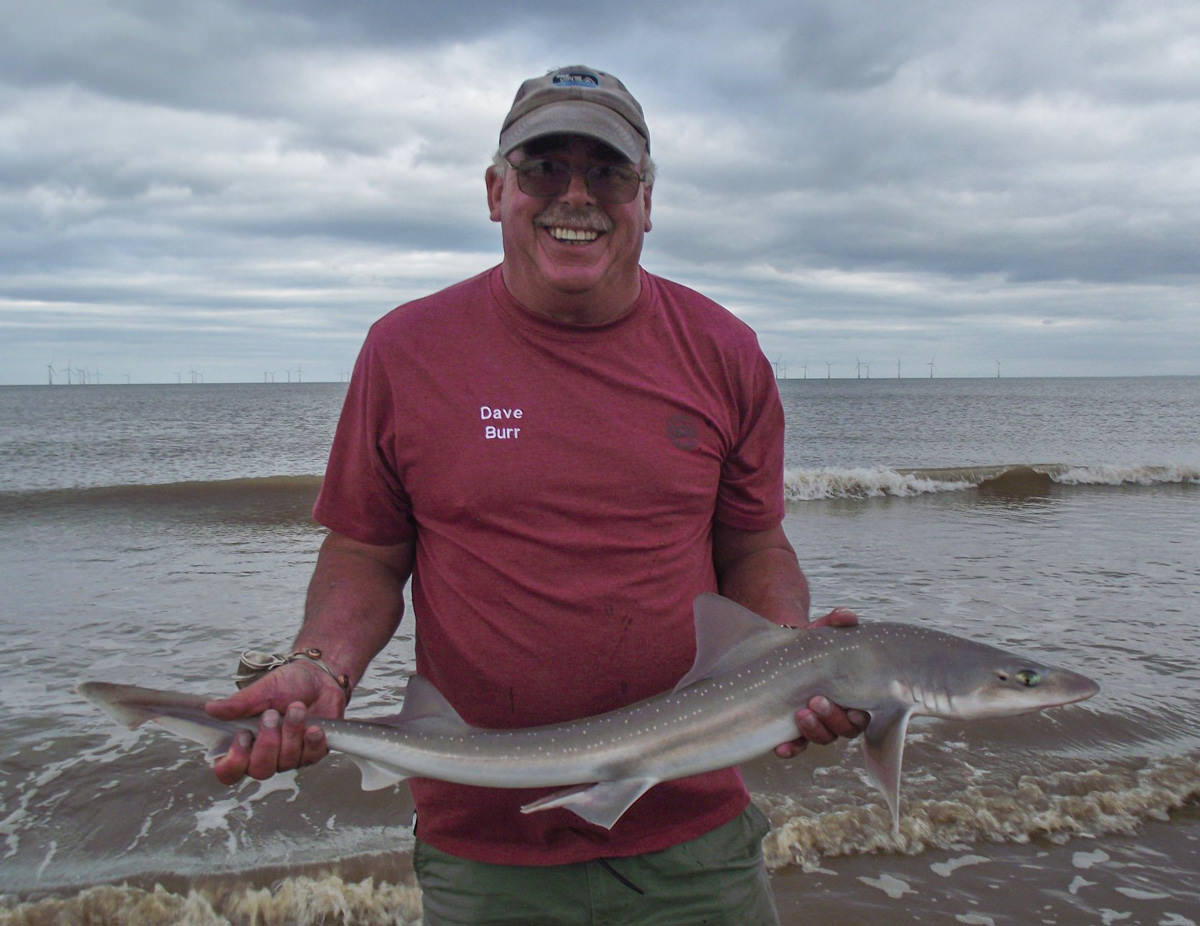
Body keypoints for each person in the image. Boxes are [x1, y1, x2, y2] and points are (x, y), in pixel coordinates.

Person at [207, 65, 867, 925]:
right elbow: (368, 550)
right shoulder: (406, 351)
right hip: (487, 845)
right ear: (495, 190)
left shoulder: (723, 350)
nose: (577, 195)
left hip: (695, 836)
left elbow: (754, 543)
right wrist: (320, 663)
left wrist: (787, 656)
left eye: (609, 172)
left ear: (648, 198)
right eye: (544, 167)